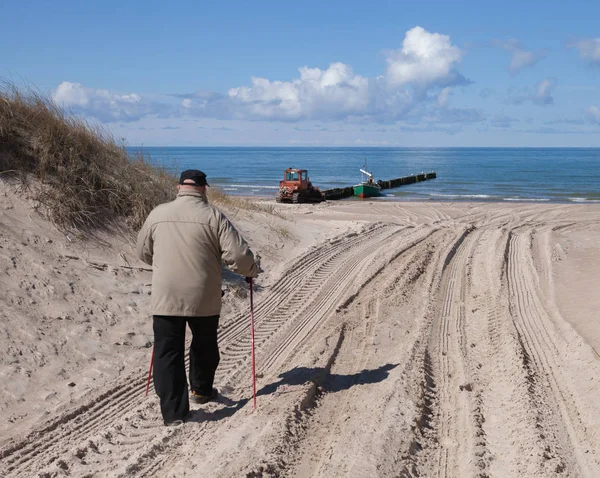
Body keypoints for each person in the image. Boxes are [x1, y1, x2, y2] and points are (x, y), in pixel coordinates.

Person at [136, 169, 259, 426]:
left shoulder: (158, 214)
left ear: (179, 188)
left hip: (166, 294)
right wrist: (251, 271)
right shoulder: (214, 217)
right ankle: (201, 391)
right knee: (204, 345)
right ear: (204, 189)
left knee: (167, 352)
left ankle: (173, 413)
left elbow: (143, 252)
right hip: (203, 294)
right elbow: (237, 256)